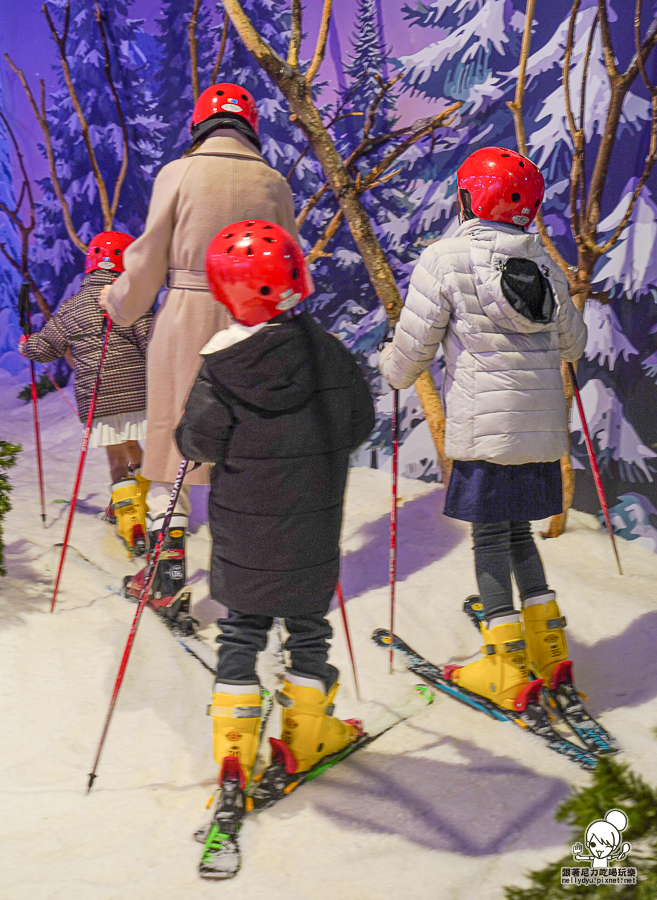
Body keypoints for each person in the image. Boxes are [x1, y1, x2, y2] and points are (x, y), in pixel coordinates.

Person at [175, 220, 375, 856]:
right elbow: (358, 425)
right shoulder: (330, 352)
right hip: (313, 525)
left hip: (243, 531)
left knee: (242, 630)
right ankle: (307, 733)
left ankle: (233, 757)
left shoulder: (222, 366)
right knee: (308, 627)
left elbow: (197, 442)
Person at [379, 147, 587, 711]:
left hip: (485, 428)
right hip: (539, 430)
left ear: (469, 197)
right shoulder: (543, 261)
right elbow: (574, 343)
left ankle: (503, 662)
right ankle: (549, 645)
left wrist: (389, 367)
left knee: (492, 536)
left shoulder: (444, 259)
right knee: (517, 531)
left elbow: (409, 355)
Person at [99, 83, 298, 609]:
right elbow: (289, 261)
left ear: (199, 125)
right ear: (250, 125)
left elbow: (147, 260)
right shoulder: (272, 181)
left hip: (186, 317)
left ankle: (166, 569)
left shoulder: (177, 173)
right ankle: (251, 569)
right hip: (253, 323)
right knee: (244, 443)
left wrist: (118, 304)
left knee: (174, 441)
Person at [20, 232, 152, 556]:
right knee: (134, 445)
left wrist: (29, 346)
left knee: (116, 460)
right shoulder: (132, 298)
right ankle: (149, 504)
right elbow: (151, 341)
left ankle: (132, 524)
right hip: (136, 393)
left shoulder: (74, 305)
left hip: (99, 397)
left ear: (91, 263)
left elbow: (48, 345)